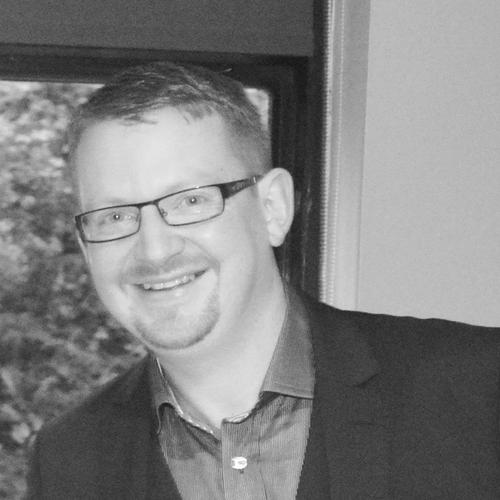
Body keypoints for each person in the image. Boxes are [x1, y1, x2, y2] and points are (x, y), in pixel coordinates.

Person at [27, 61, 500, 500]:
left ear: (273, 208)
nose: (154, 249)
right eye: (113, 216)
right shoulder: (68, 462)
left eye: (191, 200)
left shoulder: (477, 388)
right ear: (85, 246)